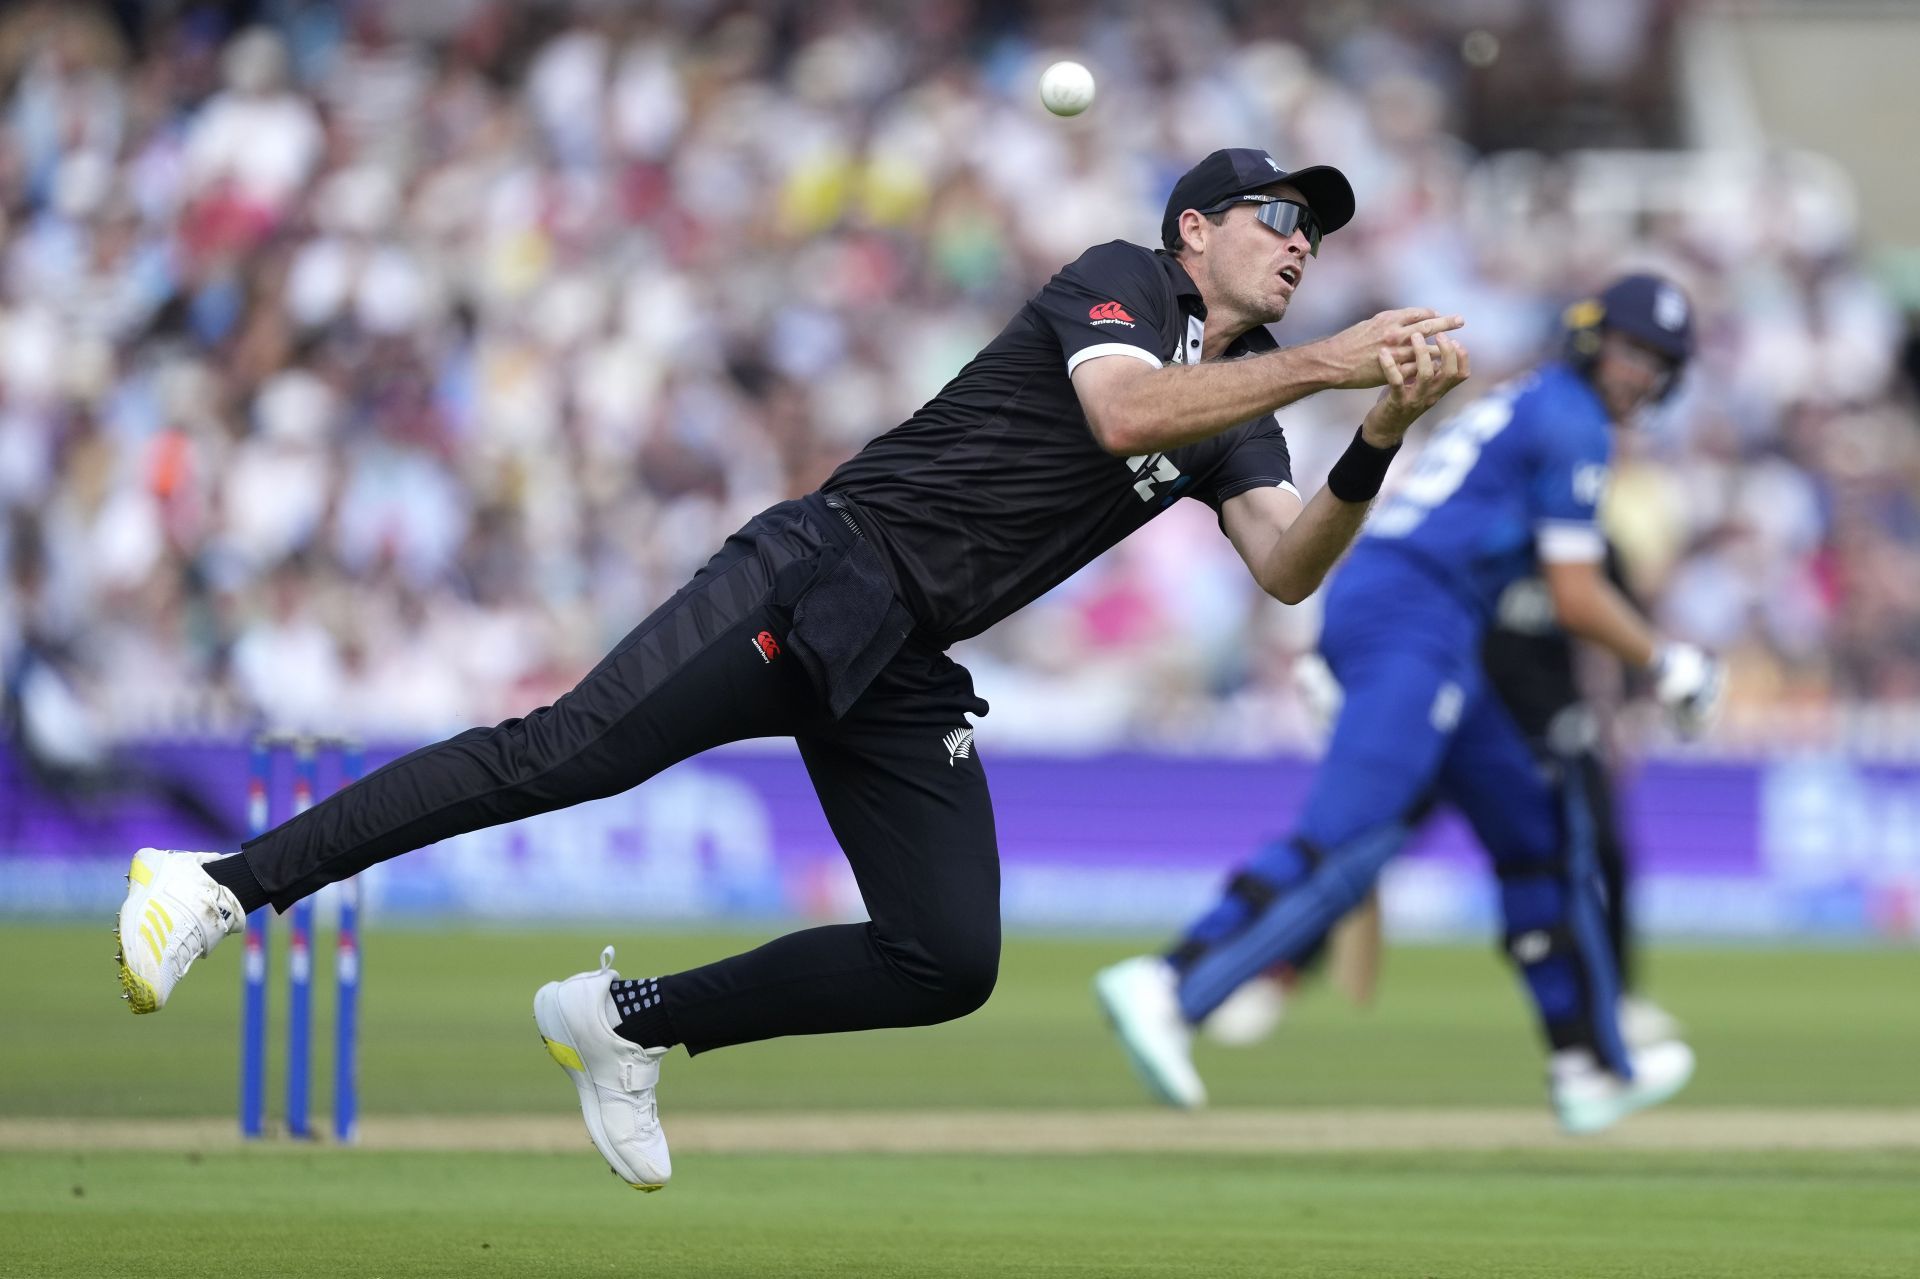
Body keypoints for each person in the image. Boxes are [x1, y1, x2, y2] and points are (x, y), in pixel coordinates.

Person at [114, 148, 1471, 1190]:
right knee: (560, 754)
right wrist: (1326, 365)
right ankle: (220, 885)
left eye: (1316, 231)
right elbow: (1121, 409)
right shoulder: (1120, 277)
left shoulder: (1244, 408)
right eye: (1278, 217)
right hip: (822, 568)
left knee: (947, 956)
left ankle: (625, 1021)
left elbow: (1289, 567)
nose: (1302, 243)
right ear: (1196, 231)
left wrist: (1380, 429)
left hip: (904, 653)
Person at [1095, 274, 1723, 1135]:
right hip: (1413, 620)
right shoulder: (1571, 418)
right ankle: (1173, 983)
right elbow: (1574, 593)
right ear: (1590, 336)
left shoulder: (1533, 402)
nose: (1638, 372)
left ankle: (1588, 1060)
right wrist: (1671, 661)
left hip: (1418, 618)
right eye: (1630, 348)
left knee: (1541, 834)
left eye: (1657, 361)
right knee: (1351, 832)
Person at [1201, 543, 1681, 1051]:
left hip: (1553, 729)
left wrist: (1624, 713)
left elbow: (1619, 629)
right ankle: (1273, 976)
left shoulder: (1589, 542)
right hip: (1457, 719)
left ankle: (1617, 999)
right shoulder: (1484, 532)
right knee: (1357, 848)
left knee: (1605, 855)